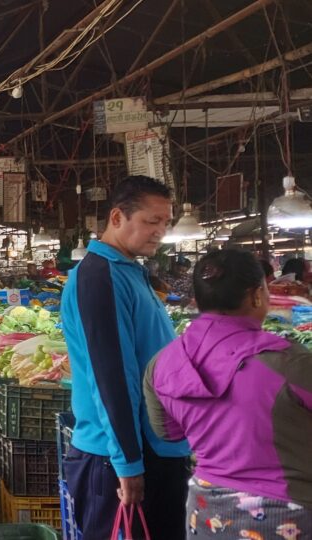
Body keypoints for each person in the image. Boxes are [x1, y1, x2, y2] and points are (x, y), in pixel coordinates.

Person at [60, 175, 192, 540]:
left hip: (152, 447)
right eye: (152, 221)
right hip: (120, 458)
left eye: (165, 222)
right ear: (117, 217)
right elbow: (113, 376)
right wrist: (128, 464)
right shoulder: (99, 277)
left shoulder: (128, 271)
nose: (160, 231)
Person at [145, 249, 312, 535]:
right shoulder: (291, 363)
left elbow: (168, 432)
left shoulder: (161, 364)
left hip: (207, 514)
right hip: (286, 516)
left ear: (198, 300)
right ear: (256, 295)